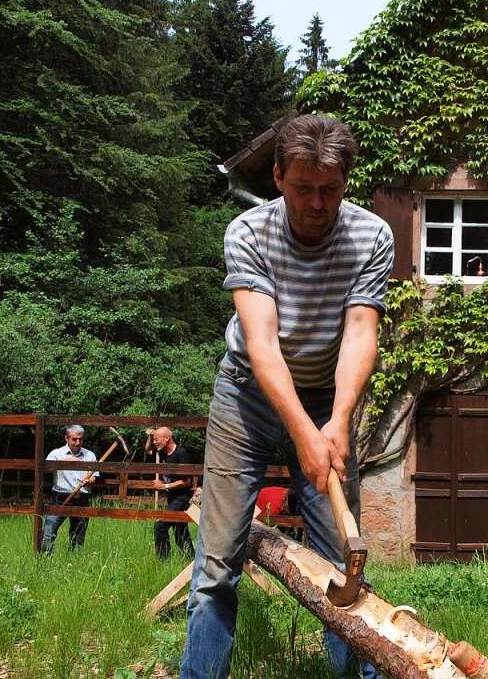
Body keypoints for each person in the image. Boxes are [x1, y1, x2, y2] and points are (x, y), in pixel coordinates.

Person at [181, 114, 393, 679]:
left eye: (330, 189)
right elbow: (263, 343)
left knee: (340, 562)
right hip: (247, 394)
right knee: (216, 565)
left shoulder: (372, 235)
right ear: (278, 176)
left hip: (328, 395)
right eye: (303, 188)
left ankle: (359, 672)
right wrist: (301, 431)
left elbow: (360, 333)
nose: (317, 203)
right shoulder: (248, 233)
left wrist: (339, 419)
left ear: (346, 182)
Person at [41, 425, 99, 554]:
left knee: (77, 537)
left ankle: (73, 564)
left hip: (82, 500)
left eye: (80, 439)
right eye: (74, 439)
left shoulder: (90, 455)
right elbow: (45, 469)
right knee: (48, 532)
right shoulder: (56, 454)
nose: (78, 443)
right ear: (66, 438)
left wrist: (89, 481)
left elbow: (94, 477)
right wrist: (65, 461)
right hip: (59, 498)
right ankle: (45, 561)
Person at [149, 427, 196, 560]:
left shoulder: (181, 453)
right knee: (180, 530)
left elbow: (187, 482)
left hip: (182, 498)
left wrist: (164, 486)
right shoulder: (163, 453)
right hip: (172, 498)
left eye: (157, 439)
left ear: (166, 438)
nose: (154, 442)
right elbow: (147, 450)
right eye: (154, 440)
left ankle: (163, 560)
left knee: (161, 525)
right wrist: (150, 435)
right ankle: (190, 559)